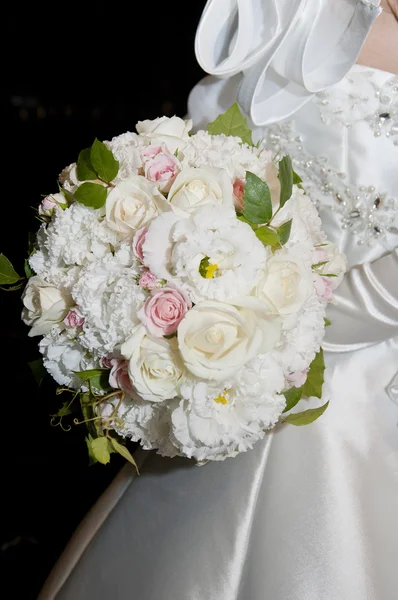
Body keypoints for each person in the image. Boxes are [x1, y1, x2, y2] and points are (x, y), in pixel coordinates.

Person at [38, 2, 398, 599]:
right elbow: (213, 160)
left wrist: (281, 326)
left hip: (339, 390)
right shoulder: (287, 14)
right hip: (246, 381)